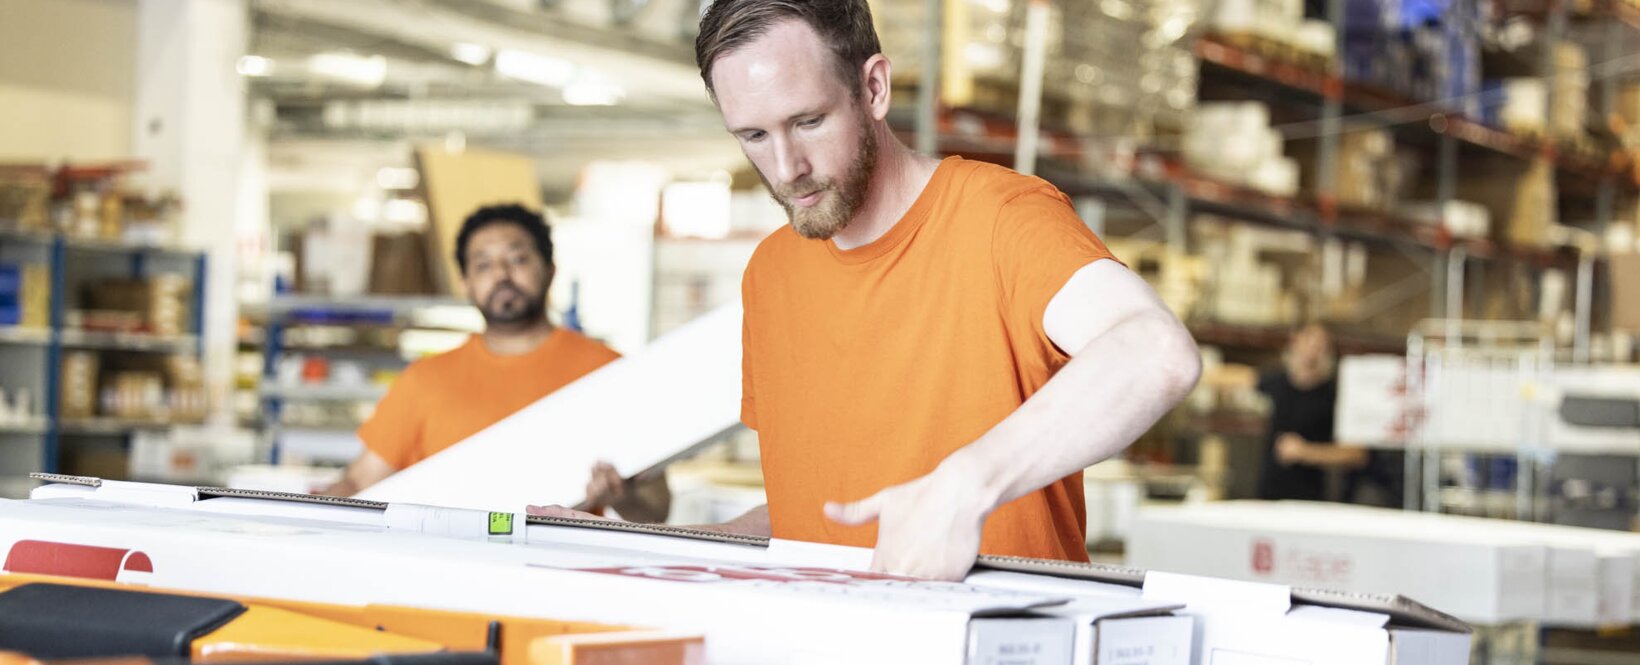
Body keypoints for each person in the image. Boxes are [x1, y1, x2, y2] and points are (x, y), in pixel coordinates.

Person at [534, 0, 1200, 581]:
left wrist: (966, 484)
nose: (787, 168)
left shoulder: (1000, 219)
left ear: (873, 87)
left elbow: (1155, 351)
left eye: (809, 121)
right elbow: (808, 516)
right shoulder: (771, 273)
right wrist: (621, 548)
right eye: (754, 136)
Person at [322, 204, 670, 523]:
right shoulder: (425, 380)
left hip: (559, 574)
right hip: (443, 572)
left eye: (517, 259)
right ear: (467, 285)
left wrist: (624, 496)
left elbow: (656, 510)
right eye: (483, 264)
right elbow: (359, 482)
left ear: (549, 271)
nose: (502, 274)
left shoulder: (607, 371)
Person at [1252, 323, 1370, 501]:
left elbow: (1357, 454)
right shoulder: (1278, 382)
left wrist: (1305, 452)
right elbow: (1237, 377)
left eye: (1320, 344)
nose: (1312, 349)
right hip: (1268, 495)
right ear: (1295, 342)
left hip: (1309, 499)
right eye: (1308, 340)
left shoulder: (1334, 396)